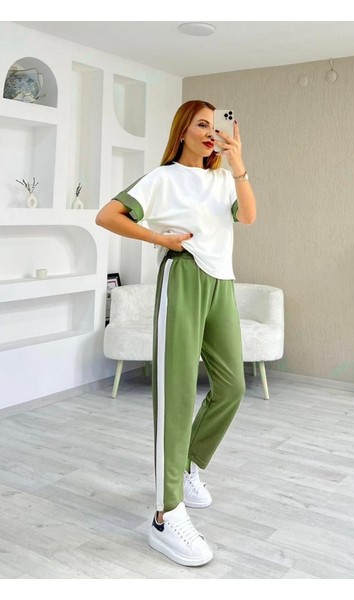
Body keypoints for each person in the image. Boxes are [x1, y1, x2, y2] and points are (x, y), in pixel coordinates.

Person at [96, 100, 256, 567]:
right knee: (177, 392)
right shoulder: (161, 177)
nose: (210, 132)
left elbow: (248, 217)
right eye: (201, 124)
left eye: (215, 126)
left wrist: (238, 163)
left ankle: (186, 464)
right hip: (183, 276)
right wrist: (159, 239)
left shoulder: (223, 178)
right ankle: (166, 516)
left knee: (232, 386)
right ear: (183, 130)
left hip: (221, 282)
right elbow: (108, 216)